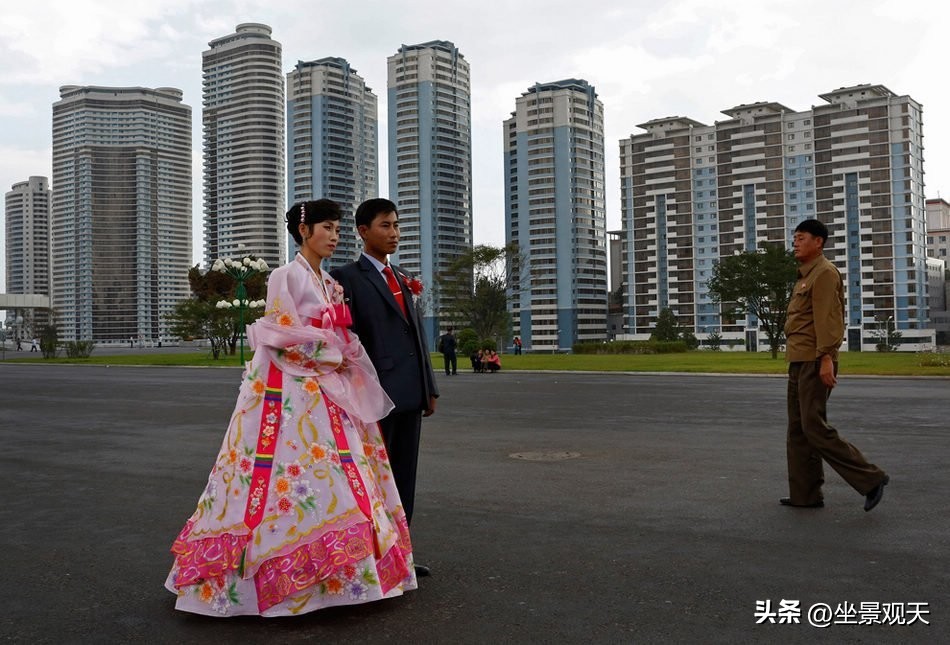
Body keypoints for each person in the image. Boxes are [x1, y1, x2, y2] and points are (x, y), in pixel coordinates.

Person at [166, 199, 416, 617]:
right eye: (327, 228)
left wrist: (340, 351)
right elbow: (280, 335)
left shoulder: (329, 282)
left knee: (339, 474)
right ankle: (281, 574)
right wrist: (330, 352)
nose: (334, 236)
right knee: (290, 475)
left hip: (328, 386)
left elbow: (337, 331)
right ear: (304, 231)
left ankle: (342, 578)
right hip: (290, 391)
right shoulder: (286, 276)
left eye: (338, 229)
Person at [331, 198, 438, 577]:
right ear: (363, 231)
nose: (394, 233)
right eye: (385, 226)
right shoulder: (346, 277)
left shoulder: (402, 276)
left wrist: (429, 386)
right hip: (373, 395)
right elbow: (346, 339)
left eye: (396, 225)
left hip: (410, 393)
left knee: (404, 476)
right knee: (375, 477)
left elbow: (417, 336)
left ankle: (401, 555)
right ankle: (371, 559)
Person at [782, 219, 889, 512]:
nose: (795, 243)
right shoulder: (805, 275)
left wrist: (826, 357)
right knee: (798, 429)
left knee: (813, 427)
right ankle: (805, 494)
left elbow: (829, 318)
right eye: (795, 238)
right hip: (799, 359)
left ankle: (871, 479)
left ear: (819, 242)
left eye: (801, 238)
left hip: (815, 359)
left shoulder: (825, 273)